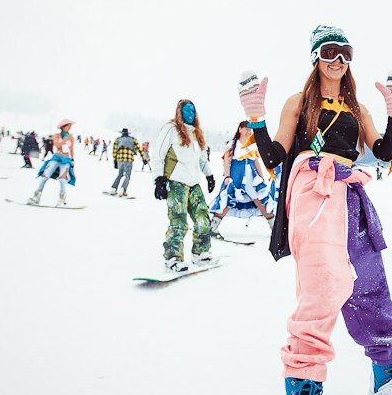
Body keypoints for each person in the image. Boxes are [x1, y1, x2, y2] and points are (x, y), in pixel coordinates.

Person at [237, 26, 392, 395]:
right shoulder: (298, 103)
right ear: (314, 57)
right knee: (324, 289)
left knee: (370, 288)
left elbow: (380, 152)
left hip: (350, 193)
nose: (338, 60)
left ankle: (389, 384)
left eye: (345, 53)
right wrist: (256, 118)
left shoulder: (355, 106)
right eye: (330, 51)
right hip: (311, 193)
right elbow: (274, 158)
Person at [151, 100, 216, 271]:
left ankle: (200, 253)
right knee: (178, 221)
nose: (190, 114)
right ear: (179, 112)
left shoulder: (196, 133)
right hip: (176, 182)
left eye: (193, 110)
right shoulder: (171, 129)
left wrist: (209, 175)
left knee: (203, 219)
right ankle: (173, 258)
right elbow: (158, 154)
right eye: (187, 110)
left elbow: (201, 159)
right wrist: (158, 180)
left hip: (194, 183)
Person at [209, 121, 276, 233]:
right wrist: (227, 176)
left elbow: (256, 163)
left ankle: (274, 229)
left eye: (250, 130)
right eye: (246, 129)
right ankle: (212, 227)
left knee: (261, 201)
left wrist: (261, 177)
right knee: (228, 201)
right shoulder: (232, 145)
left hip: (252, 179)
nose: (248, 132)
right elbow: (227, 161)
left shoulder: (252, 145)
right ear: (240, 129)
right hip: (236, 177)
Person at [29, 120, 77, 205]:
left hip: (66, 160)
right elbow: (57, 146)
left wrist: (73, 159)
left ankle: (61, 199)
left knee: (63, 179)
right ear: (63, 126)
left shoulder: (71, 138)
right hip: (56, 158)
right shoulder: (57, 136)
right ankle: (36, 196)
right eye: (68, 126)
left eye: (70, 126)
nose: (69, 128)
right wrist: (66, 139)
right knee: (45, 176)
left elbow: (71, 149)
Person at [109, 128, 148, 196]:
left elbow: (114, 152)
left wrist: (115, 162)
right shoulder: (133, 139)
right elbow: (139, 150)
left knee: (120, 174)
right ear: (128, 133)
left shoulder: (117, 140)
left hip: (120, 160)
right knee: (127, 176)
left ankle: (113, 189)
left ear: (122, 133)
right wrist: (144, 159)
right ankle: (123, 189)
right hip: (128, 160)